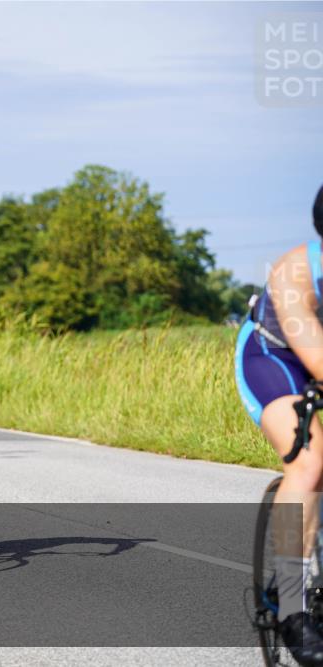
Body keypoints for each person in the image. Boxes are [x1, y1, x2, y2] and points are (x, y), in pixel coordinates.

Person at [236, 184, 323, 665]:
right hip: (275, 359)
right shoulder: (298, 270)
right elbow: (317, 359)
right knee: (310, 460)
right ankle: (292, 601)